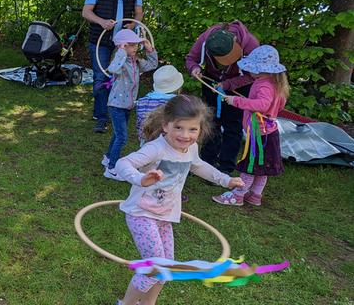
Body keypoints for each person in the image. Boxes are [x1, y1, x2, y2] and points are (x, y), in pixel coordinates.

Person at [114, 95, 243, 305]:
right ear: (166, 125)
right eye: (179, 128)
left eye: (193, 129)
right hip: (142, 214)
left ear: (200, 130)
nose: (185, 135)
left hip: (165, 216)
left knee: (168, 267)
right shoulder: (156, 148)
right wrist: (140, 179)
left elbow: (199, 166)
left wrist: (225, 180)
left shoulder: (190, 148)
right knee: (155, 267)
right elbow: (123, 163)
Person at [213, 45, 288, 207]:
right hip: (269, 133)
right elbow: (278, 105)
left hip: (260, 136)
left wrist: (236, 101)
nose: (249, 71)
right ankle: (255, 196)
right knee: (262, 168)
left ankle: (238, 196)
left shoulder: (264, 85)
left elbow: (262, 104)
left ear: (260, 70)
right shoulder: (273, 84)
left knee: (250, 166)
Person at [82, 0, 144, 133]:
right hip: (100, 40)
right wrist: (101, 22)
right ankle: (101, 117)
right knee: (101, 76)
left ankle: (117, 111)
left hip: (123, 42)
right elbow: (86, 11)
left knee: (121, 74)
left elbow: (139, 12)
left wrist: (132, 26)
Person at [185, 21, 259, 173]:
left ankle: (226, 166)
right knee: (210, 121)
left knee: (233, 126)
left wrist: (228, 84)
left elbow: (252, 76)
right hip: (211, 81)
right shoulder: (205, 39)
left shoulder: (251, 45)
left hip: (239, 85)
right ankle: (205, 163)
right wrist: (195, 68)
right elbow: (191, 59)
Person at [102, 29, 158, 180]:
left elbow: (152, 65)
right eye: (131, 45)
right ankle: (112, 168)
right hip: (116, 105)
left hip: (127, 105)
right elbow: (112, 69)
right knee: (122, 137)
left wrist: (149, 49)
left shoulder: (136, 62)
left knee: (118, 133)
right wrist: (121, 52)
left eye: (136, 45)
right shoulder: (119, 62)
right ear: (123, 46)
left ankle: (108, 157)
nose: (135, 48)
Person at [135, 65, 184, 146]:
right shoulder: (179, 103)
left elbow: (140, 124)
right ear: (178, 87)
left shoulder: (142, 101)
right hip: (170, 145)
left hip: (147, 144)